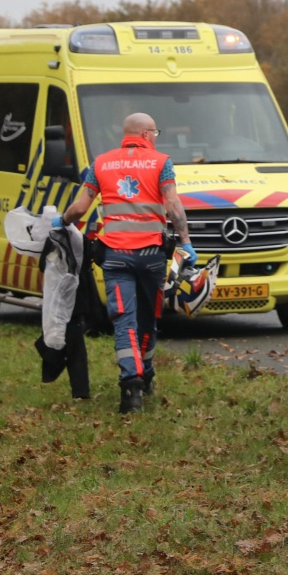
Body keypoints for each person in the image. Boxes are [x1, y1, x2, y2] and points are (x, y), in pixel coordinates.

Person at [58, 112, 194, 415]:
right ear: (146, 134)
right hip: (152, 259)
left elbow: (80, 207)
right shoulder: (161, 162)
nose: (155, 136)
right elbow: (173, 204)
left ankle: (130, 384)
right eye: (155, 132)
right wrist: (185, 241)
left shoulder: (101, 163)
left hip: (116, 257)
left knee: (124, 321)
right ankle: (144, 374)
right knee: (148, 318)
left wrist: (61, 220)